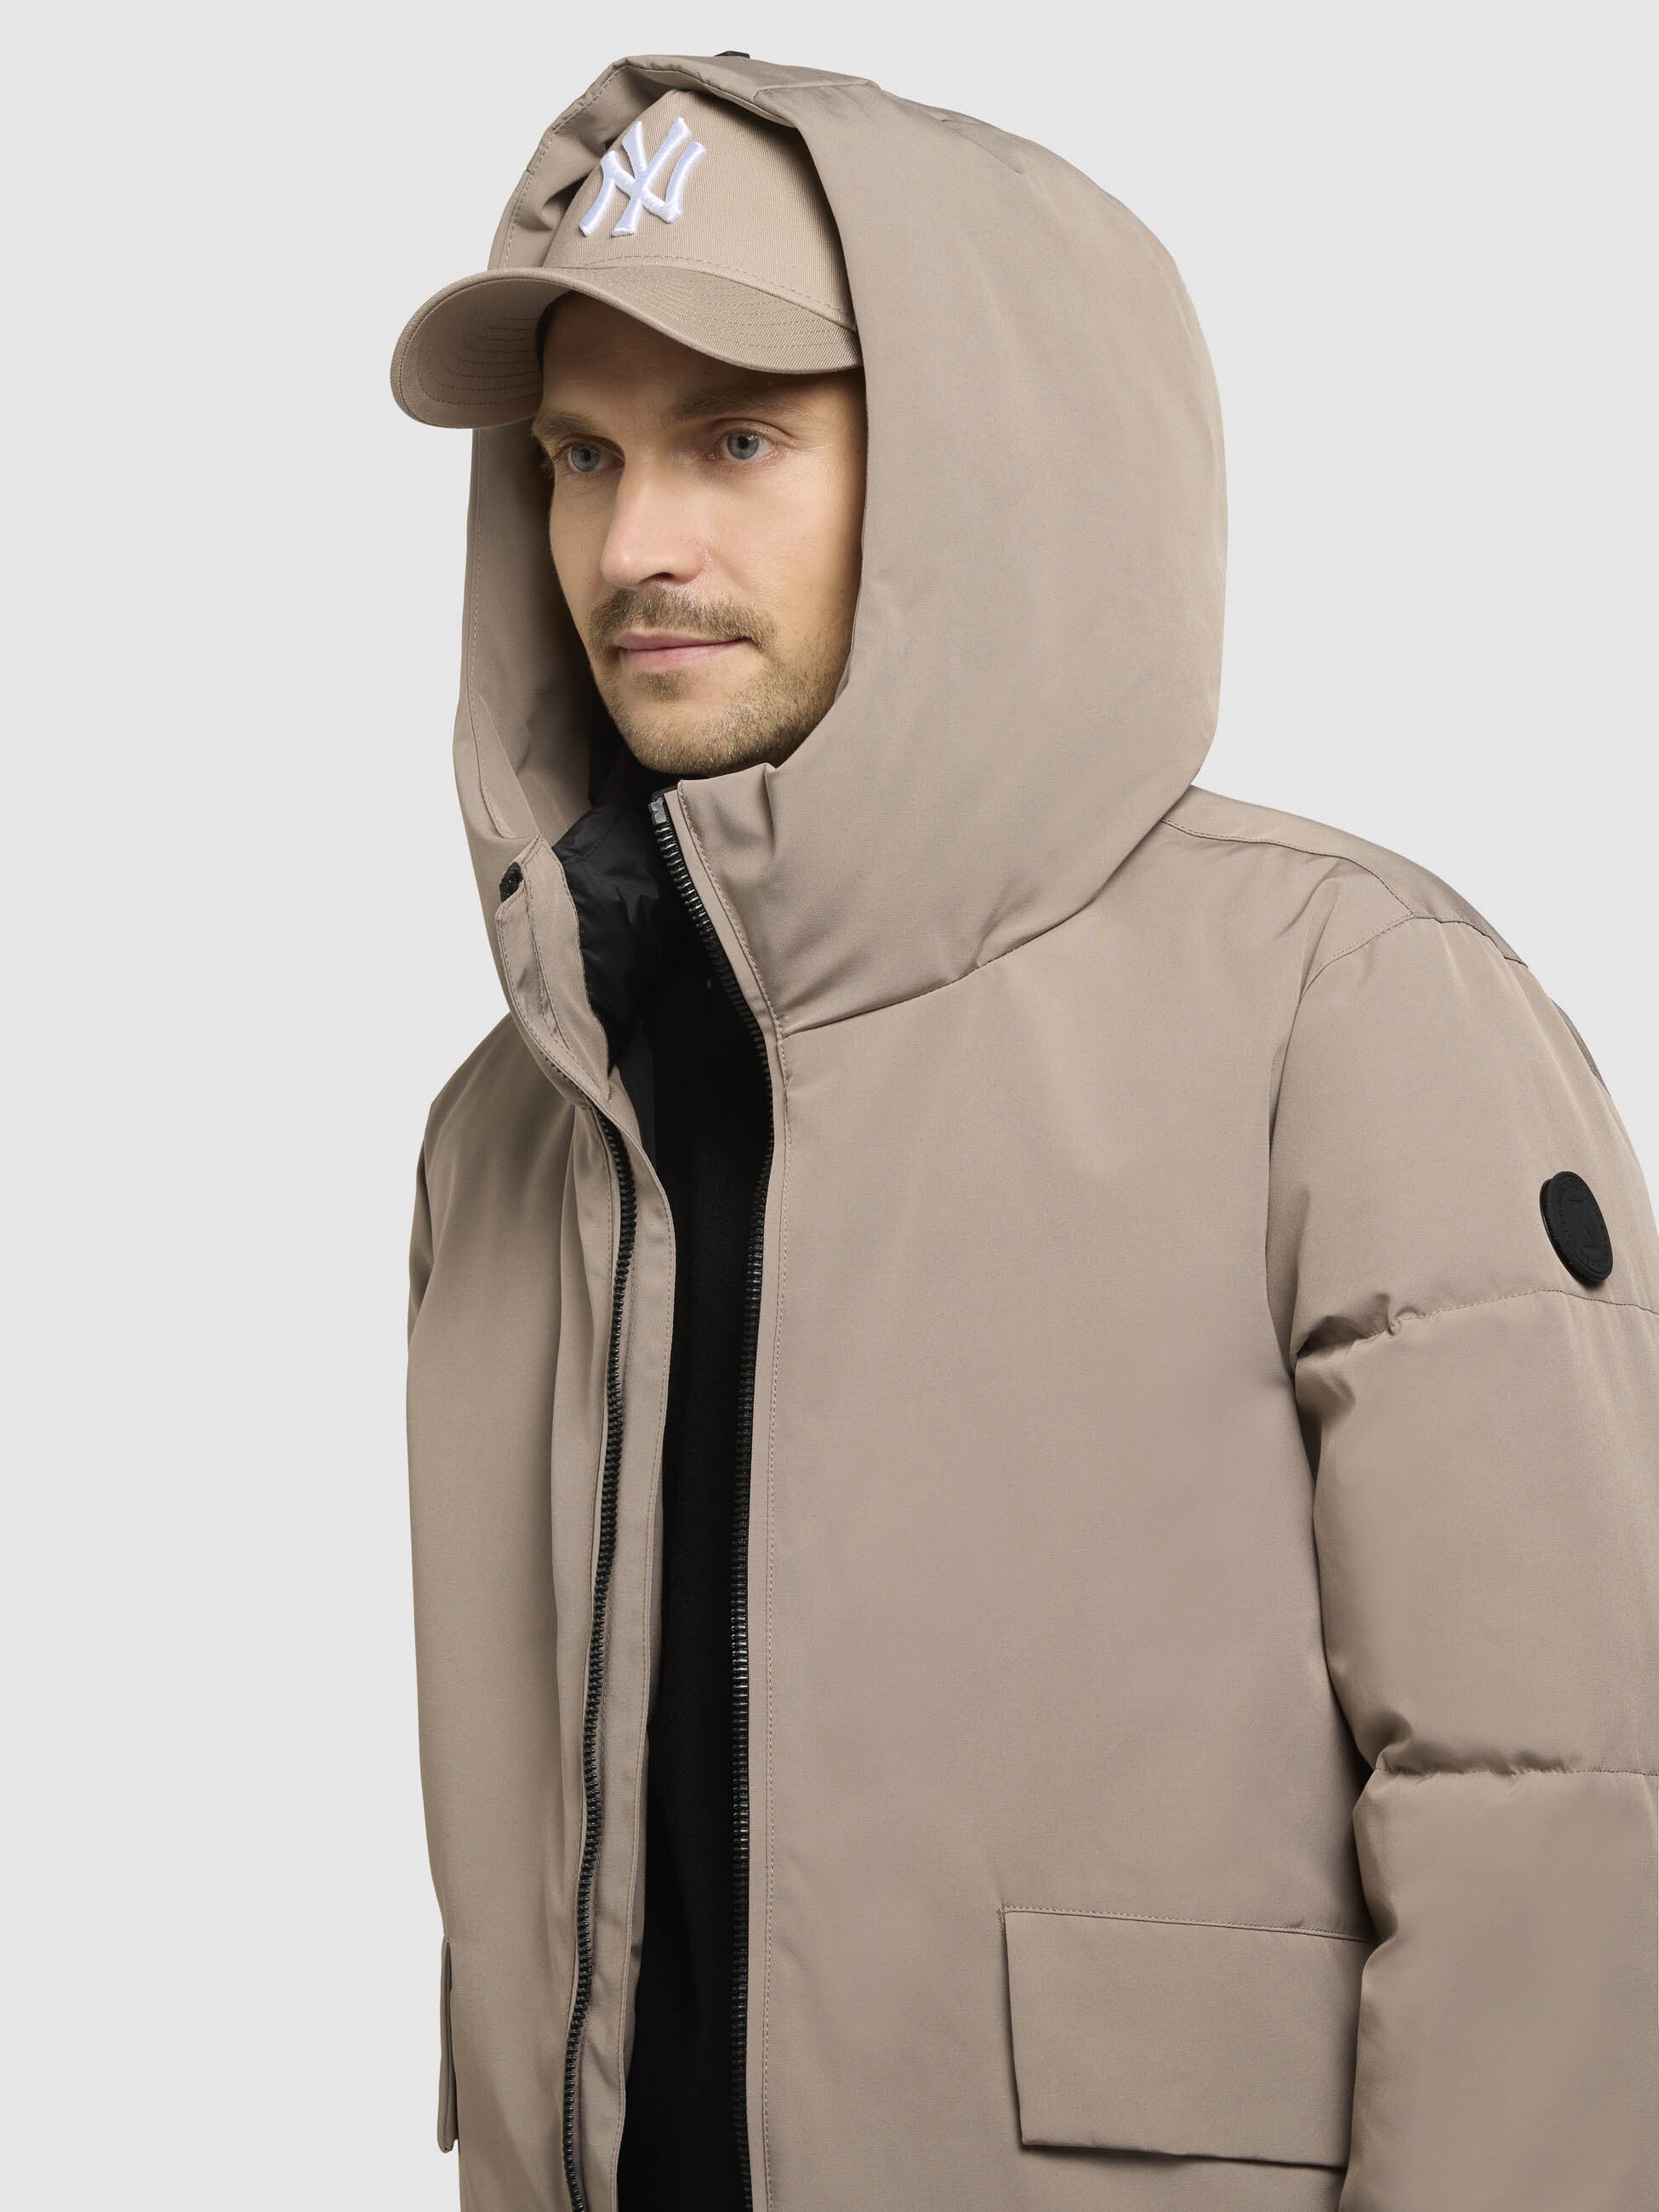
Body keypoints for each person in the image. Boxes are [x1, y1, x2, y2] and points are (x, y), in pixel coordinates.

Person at [391, 52, 1659, 2212]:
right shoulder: (505, 1134)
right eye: (582, 456)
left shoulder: (1345, 1004)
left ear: (982, 471)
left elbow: (1572, 1821)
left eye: (738, 438)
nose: (633, 544)